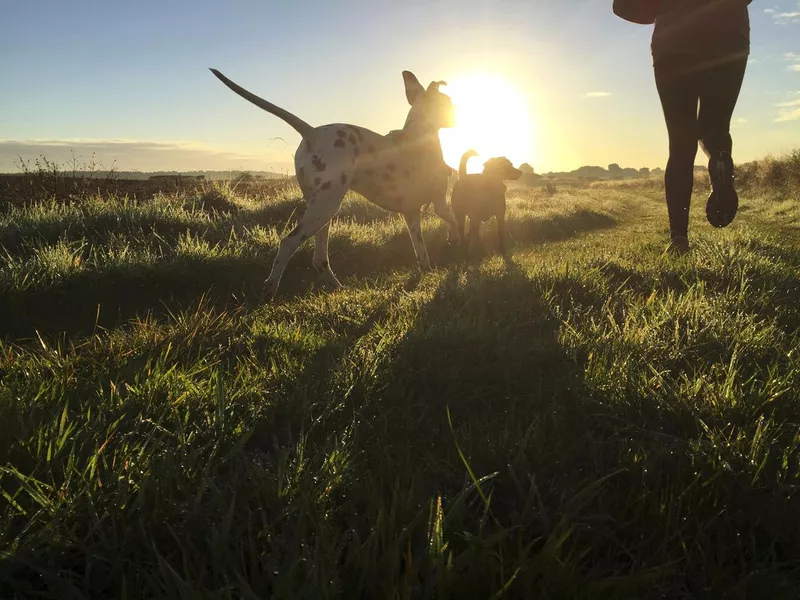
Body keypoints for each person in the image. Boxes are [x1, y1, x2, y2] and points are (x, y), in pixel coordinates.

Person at [615, 0, 752, 254]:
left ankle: (679, 238)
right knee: (716, 127)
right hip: (728, 37)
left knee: (681, 142)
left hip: (674, 43)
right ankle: (720, 160)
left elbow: (623, 6)